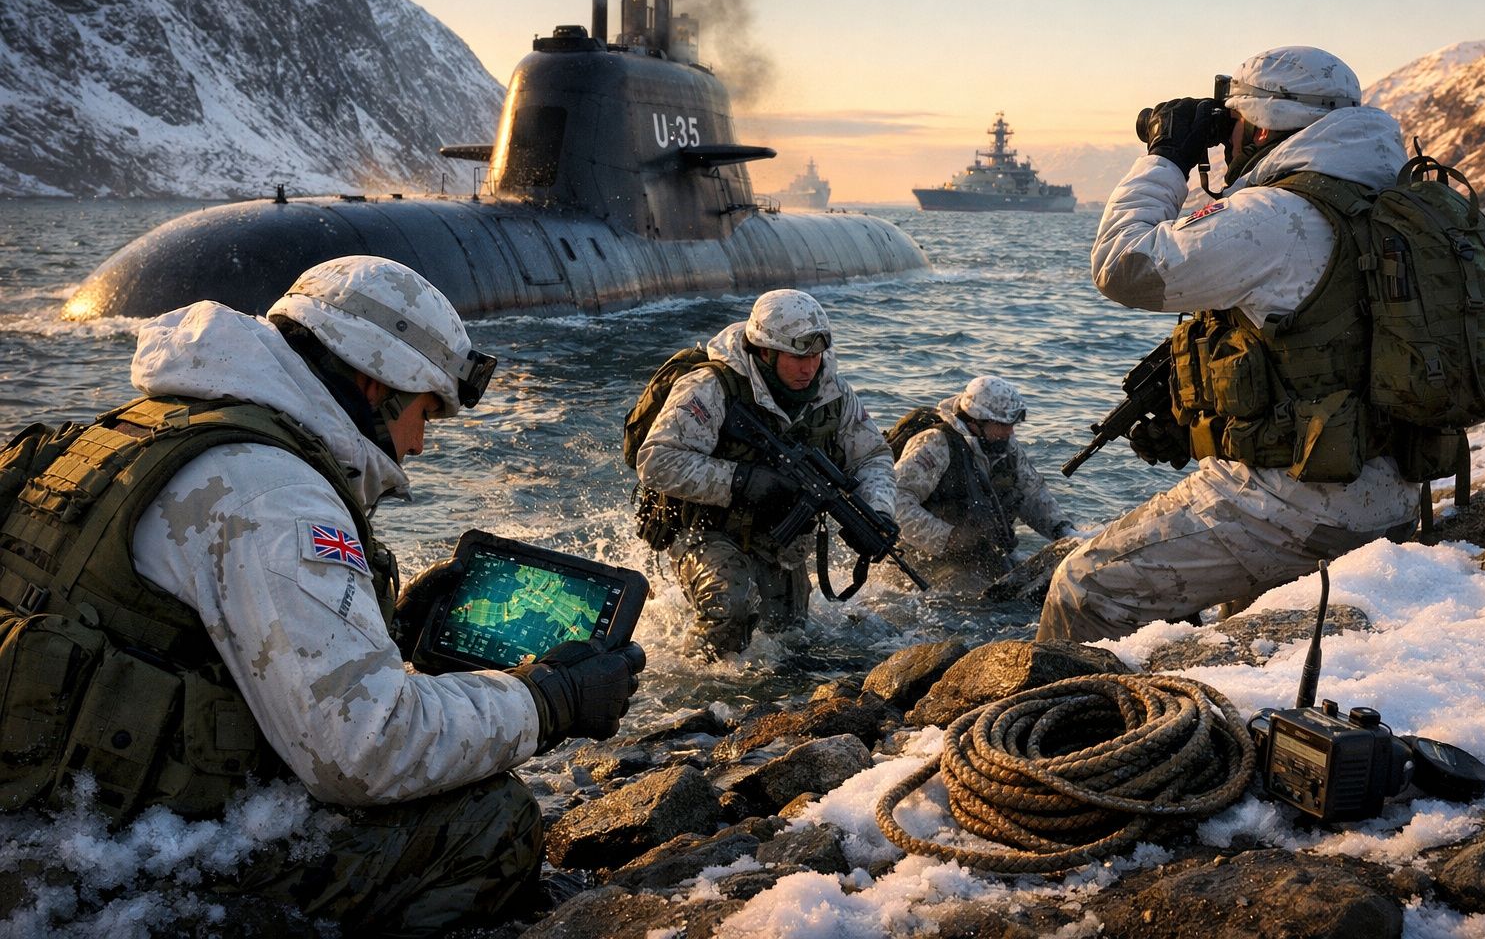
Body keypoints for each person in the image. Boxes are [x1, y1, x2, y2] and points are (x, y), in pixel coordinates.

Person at [0, 256, 645, 934]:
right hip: (97, 879)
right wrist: (546, 702)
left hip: (44, 828)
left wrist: (386, 629)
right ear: (376, 382)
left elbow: (170, 635)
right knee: (491, 824)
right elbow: (364, 750)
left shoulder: (147, 428)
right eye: (426, 413)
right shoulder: (275, 492)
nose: (420, 444)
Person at [1036, 46, 1421, 643]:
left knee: (1083, 586)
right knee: (1234, 622)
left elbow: (1122, 265)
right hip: (1396, 490)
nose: (1224, 139)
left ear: (1261, 126)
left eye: (1232, 122)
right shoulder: (1395, 204)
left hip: (1299, 506)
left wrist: (1167, 156)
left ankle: (1066, 703)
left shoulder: (1276, 213)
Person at [634, 288, 896, 659]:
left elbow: (872, 455)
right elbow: (655, 461)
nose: (809, 368)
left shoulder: (832, 393)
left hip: (775, 537)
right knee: (731, 611)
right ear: (765, 352)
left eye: (816, 356)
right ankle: (692, 682)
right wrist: (740, 480)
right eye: (797, 357)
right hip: (704, 529)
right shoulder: (711, 387)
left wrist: (876, 510)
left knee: (789, 639)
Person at [891, 375, 1072, 586]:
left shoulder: (1004, 445)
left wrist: (1064, 531)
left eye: (1012, 424)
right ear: (976, 421)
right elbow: (896, 501)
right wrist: (949, 538)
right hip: (928, 560)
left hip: (984, 554)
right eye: (1002, 424)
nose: (1010, 431)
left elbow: (1031, 493)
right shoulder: (935, 444)